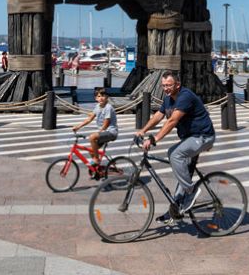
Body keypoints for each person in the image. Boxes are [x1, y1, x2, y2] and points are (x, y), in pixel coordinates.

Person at [136, 71, 215, 221]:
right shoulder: (168, 99)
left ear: (177, 84)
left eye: (169, 85)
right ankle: (175, 210)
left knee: (174, 154)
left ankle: (191, 192)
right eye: (164, 85)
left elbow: (172, 121)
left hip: (202, 136)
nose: (166, 88)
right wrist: (143, 130)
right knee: (182, 173)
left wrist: (155, 138)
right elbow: (158, 116)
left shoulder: (185, 96)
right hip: (189, 139)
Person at [72, 87, 118, 175]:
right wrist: (78, 127)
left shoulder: (108, 107)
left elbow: (106, 123)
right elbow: (89, 119)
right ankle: (98, 170)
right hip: (104, 132)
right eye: (99, 96)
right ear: (96, 98)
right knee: (91, 150)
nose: (101, 98)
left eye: (103, 96)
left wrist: (99, 132)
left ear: (107, 97)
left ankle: (96, 160)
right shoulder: (97, 106)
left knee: (92, 137)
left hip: (111, 132)